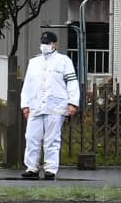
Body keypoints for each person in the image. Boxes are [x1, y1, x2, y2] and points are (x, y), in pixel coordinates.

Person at [21, 30, 79, 180]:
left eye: (47, 43)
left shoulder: (64, 61)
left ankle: (50, 169)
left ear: (55, 44)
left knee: (52, 139)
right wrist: (25, 105)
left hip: (56, 106)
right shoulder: (34, 62)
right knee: (32, 137)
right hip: (36, 105)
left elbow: (72, 83)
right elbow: (27, 85)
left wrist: (73, 102)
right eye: (43, 43)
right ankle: (31, 168)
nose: (44, 46)